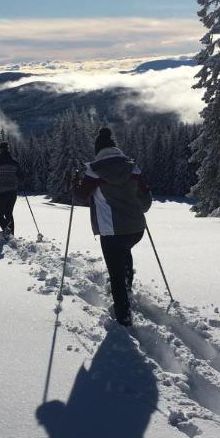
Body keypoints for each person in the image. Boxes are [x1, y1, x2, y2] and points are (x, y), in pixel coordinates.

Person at [74, 127, 152, 327]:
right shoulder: (133, 169)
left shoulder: (94, 172)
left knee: (115, 271)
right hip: (136, 229)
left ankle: (123, 316)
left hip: (111, 231)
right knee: (125, 254)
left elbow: (80, 196)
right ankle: (127, 287)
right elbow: (145, 202)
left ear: (98, 150)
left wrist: (75, 183)